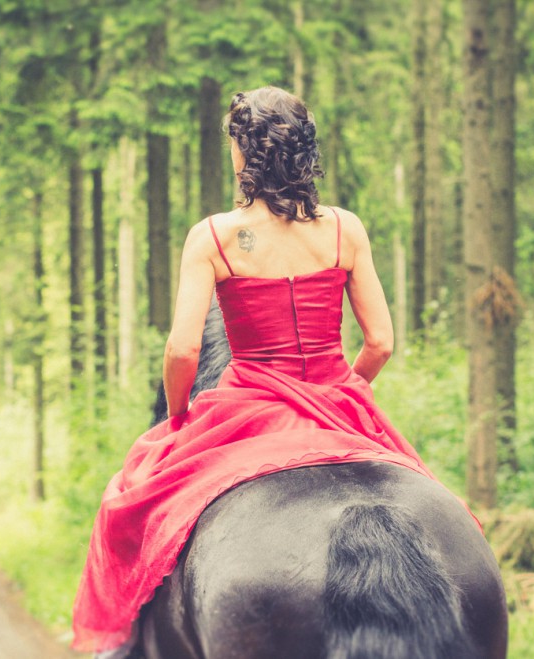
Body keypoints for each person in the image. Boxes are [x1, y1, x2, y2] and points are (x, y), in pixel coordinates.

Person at [71, 86, 478, 657]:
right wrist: (342, 391)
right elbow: (381, 343)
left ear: (244, 154)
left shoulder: (213, 236)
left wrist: (182, 419)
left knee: (131, 499)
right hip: (335, 394)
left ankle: (123, 645)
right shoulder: (344, 230)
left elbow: (184, 351)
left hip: (246, 402)